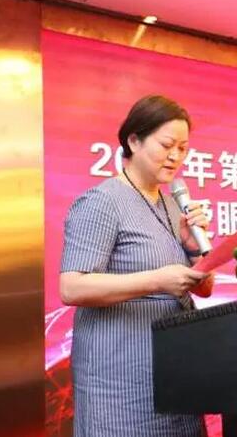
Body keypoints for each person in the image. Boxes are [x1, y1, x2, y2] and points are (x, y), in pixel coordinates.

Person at [60, 95, 211, 437]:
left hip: (177, 374)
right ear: (134, 140)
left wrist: (194, 249)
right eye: (167, 145)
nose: (176, 156)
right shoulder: (102, 202)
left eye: (183, 148)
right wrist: (156, 281)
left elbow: (205, 288)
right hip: (120, 383)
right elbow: (71, 287)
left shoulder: (174, 206)